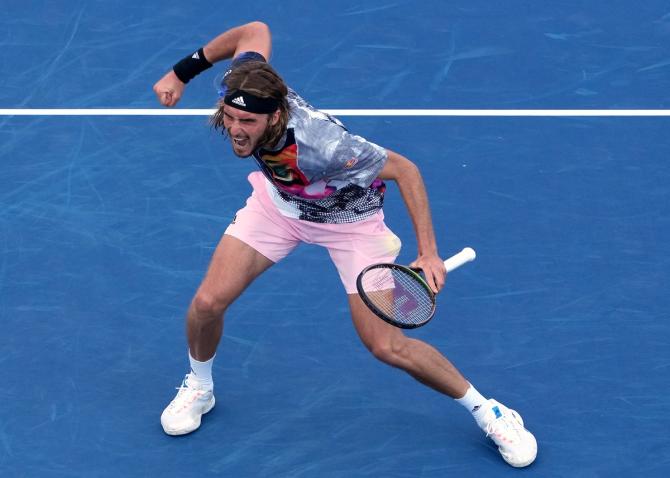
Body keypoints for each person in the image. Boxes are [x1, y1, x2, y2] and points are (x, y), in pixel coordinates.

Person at [152, 21, 537, 468]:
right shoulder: (247, 82)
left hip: (350, 223)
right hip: (280, 207)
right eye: (231, 117)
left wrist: (428, 252)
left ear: (275, 116)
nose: (236, 130)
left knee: (385, 346)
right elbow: (254, 31)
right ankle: (199, 386)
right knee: (207, 303)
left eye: (248, 122)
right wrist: (182, 72)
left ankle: (489, 411)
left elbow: (406, 170)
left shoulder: (326, 146)